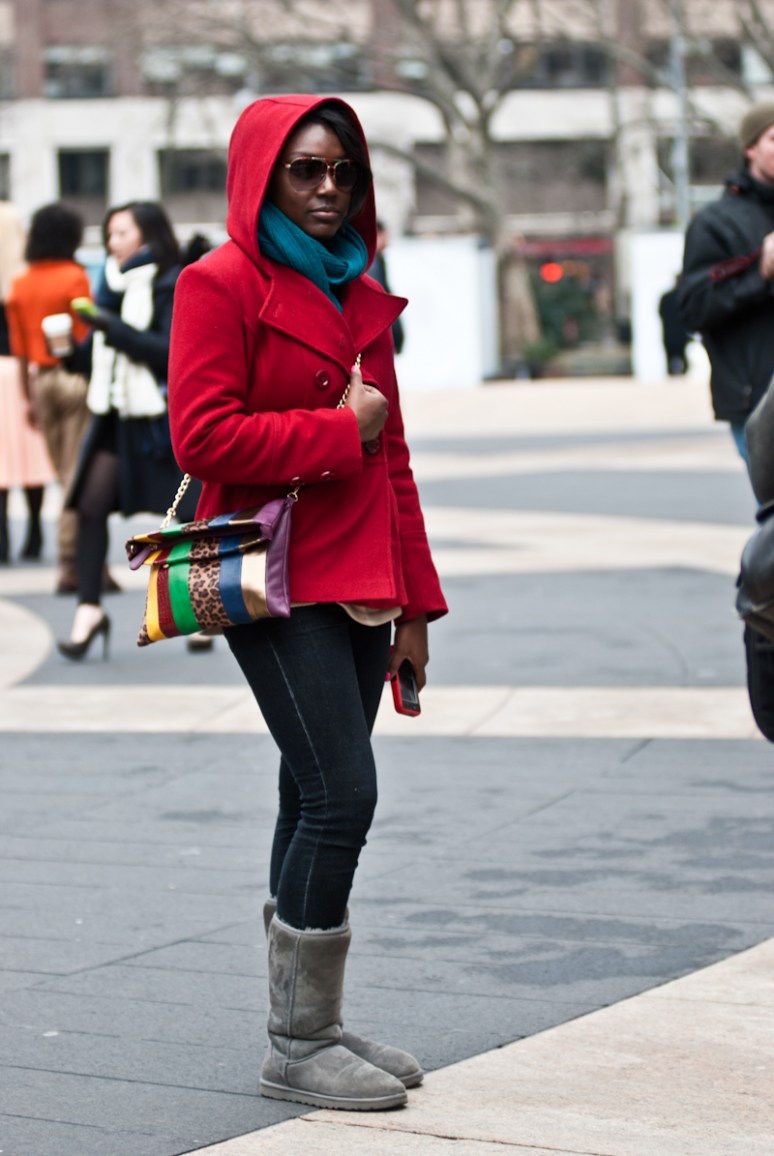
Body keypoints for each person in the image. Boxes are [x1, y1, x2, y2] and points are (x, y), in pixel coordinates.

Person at [167, 94, 447, 1111]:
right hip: (272, 571)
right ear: (262, 174)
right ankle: (295, 1040)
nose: (329, 189)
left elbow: (396, 456)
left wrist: (417, 603)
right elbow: (201, 437)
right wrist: (339, 431)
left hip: (361, 574)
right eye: (306, 170)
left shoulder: (359, 285)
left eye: (343, 171)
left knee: (307, 789)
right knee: (343, 793)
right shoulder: (218, 281)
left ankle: (312, 1020)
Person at [58, 201, 187, 659]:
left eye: (120, 234)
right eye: (109, 235)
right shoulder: (109, 286)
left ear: (147, 236)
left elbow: (168, 351)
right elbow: (98, 350)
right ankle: (89, 610)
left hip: (159, 420)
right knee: (90, 505)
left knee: (194, 518)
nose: (110, 243)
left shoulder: (174, 282)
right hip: (115, 416)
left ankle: (210, 611)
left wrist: (111, 328)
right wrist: (69, 353)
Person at [678, 101, 774, 466]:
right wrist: (760, 271)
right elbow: (692, 308)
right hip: (760, 404)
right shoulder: (717, 222)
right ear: (750, 148)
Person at [6, 203, 93, 589]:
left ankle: (87, 560)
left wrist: (27, 399)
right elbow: (84, 336)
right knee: (77, 472)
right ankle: (71, 559)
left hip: (40, 381)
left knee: (62, 471)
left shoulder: (21, 284)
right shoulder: (75, 277)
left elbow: (21, 348)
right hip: (74, 379)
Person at [0, 201, 55, 563]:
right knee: (31, 457)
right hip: (24, 369)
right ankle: (35, 530)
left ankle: (2, 536)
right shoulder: (25, 282)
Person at [367, 219, 405, 354]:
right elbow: (381, 303)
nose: (388, 239)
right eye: (386, 235)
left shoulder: (377, 261)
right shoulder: (372, 264)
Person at [658, 275, 690, 375]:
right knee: (681, 357)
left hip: (669, 334)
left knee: (671, 358)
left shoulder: (667, 298)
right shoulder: (683, 297)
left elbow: (661, 313)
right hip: (680, 334)